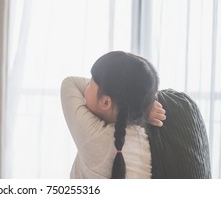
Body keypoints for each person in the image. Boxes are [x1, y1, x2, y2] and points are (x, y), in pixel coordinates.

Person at [61, 51, 165, 179]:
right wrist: (141, 105)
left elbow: (70, 83)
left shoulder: (92, 134)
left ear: (106, 102)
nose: (87, 84)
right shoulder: (144, 141)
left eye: (91, 82)